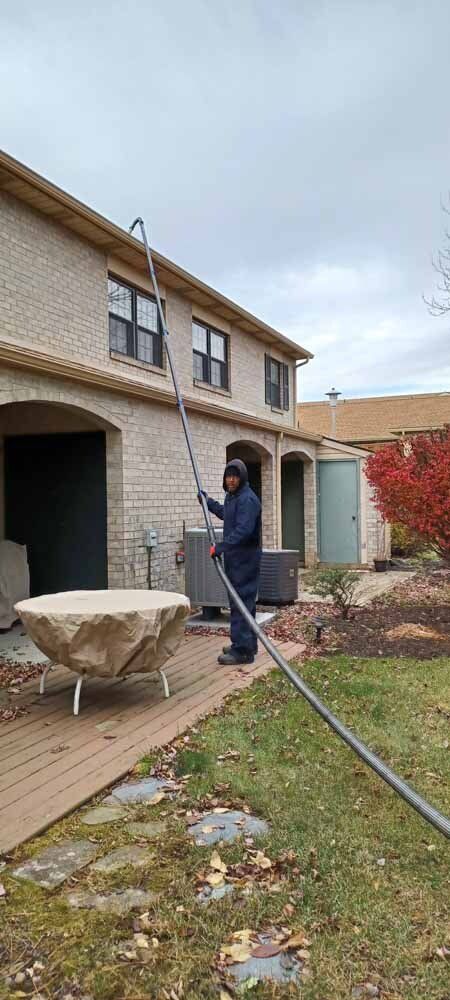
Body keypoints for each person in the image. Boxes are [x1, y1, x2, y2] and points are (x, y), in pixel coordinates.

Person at [199, 459, 262, 666]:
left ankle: (242, 651)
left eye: (235, 476)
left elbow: (243, 531)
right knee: (241, 603)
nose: (231, 479)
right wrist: (208, 503)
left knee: (240, 603)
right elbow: (228, 516)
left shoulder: (248, 500)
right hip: (235, 560)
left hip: (245, 561)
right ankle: (248, 643)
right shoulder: (233, 497)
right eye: (228, 476)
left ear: (242, 477)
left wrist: (221, 547)